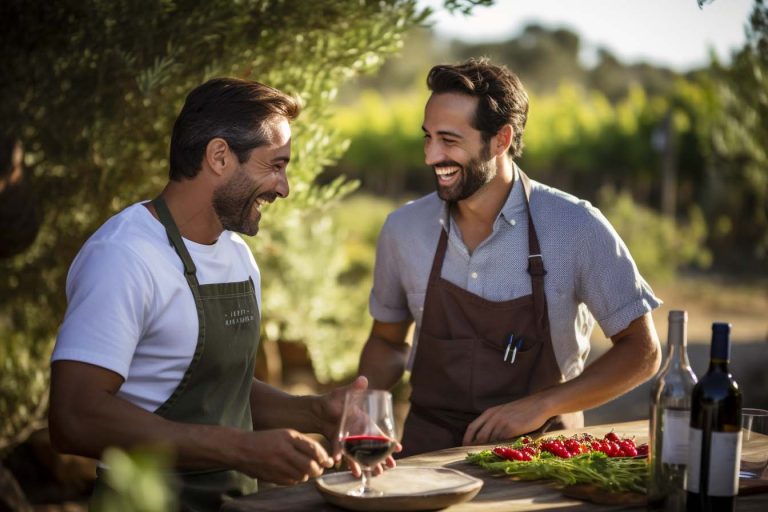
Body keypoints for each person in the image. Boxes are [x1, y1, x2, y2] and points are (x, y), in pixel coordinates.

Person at [49, 78, 386, 511]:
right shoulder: (124, 255)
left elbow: (222, 390)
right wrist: (239, 449)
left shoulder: (238, 257)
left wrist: (316, 413)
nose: (283, 188)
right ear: (220, 156)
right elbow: (73, 417)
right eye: (275, 165)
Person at [358, 58, 663, 457]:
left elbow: (642, 352)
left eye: (449, 140)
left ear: (501, 140)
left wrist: (542, 405)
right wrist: (361, 409)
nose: (431, 156)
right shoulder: (403, 229)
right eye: (427, 137)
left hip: (543, 458)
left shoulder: (575, 226)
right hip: (426, 456)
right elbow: (386, 341)